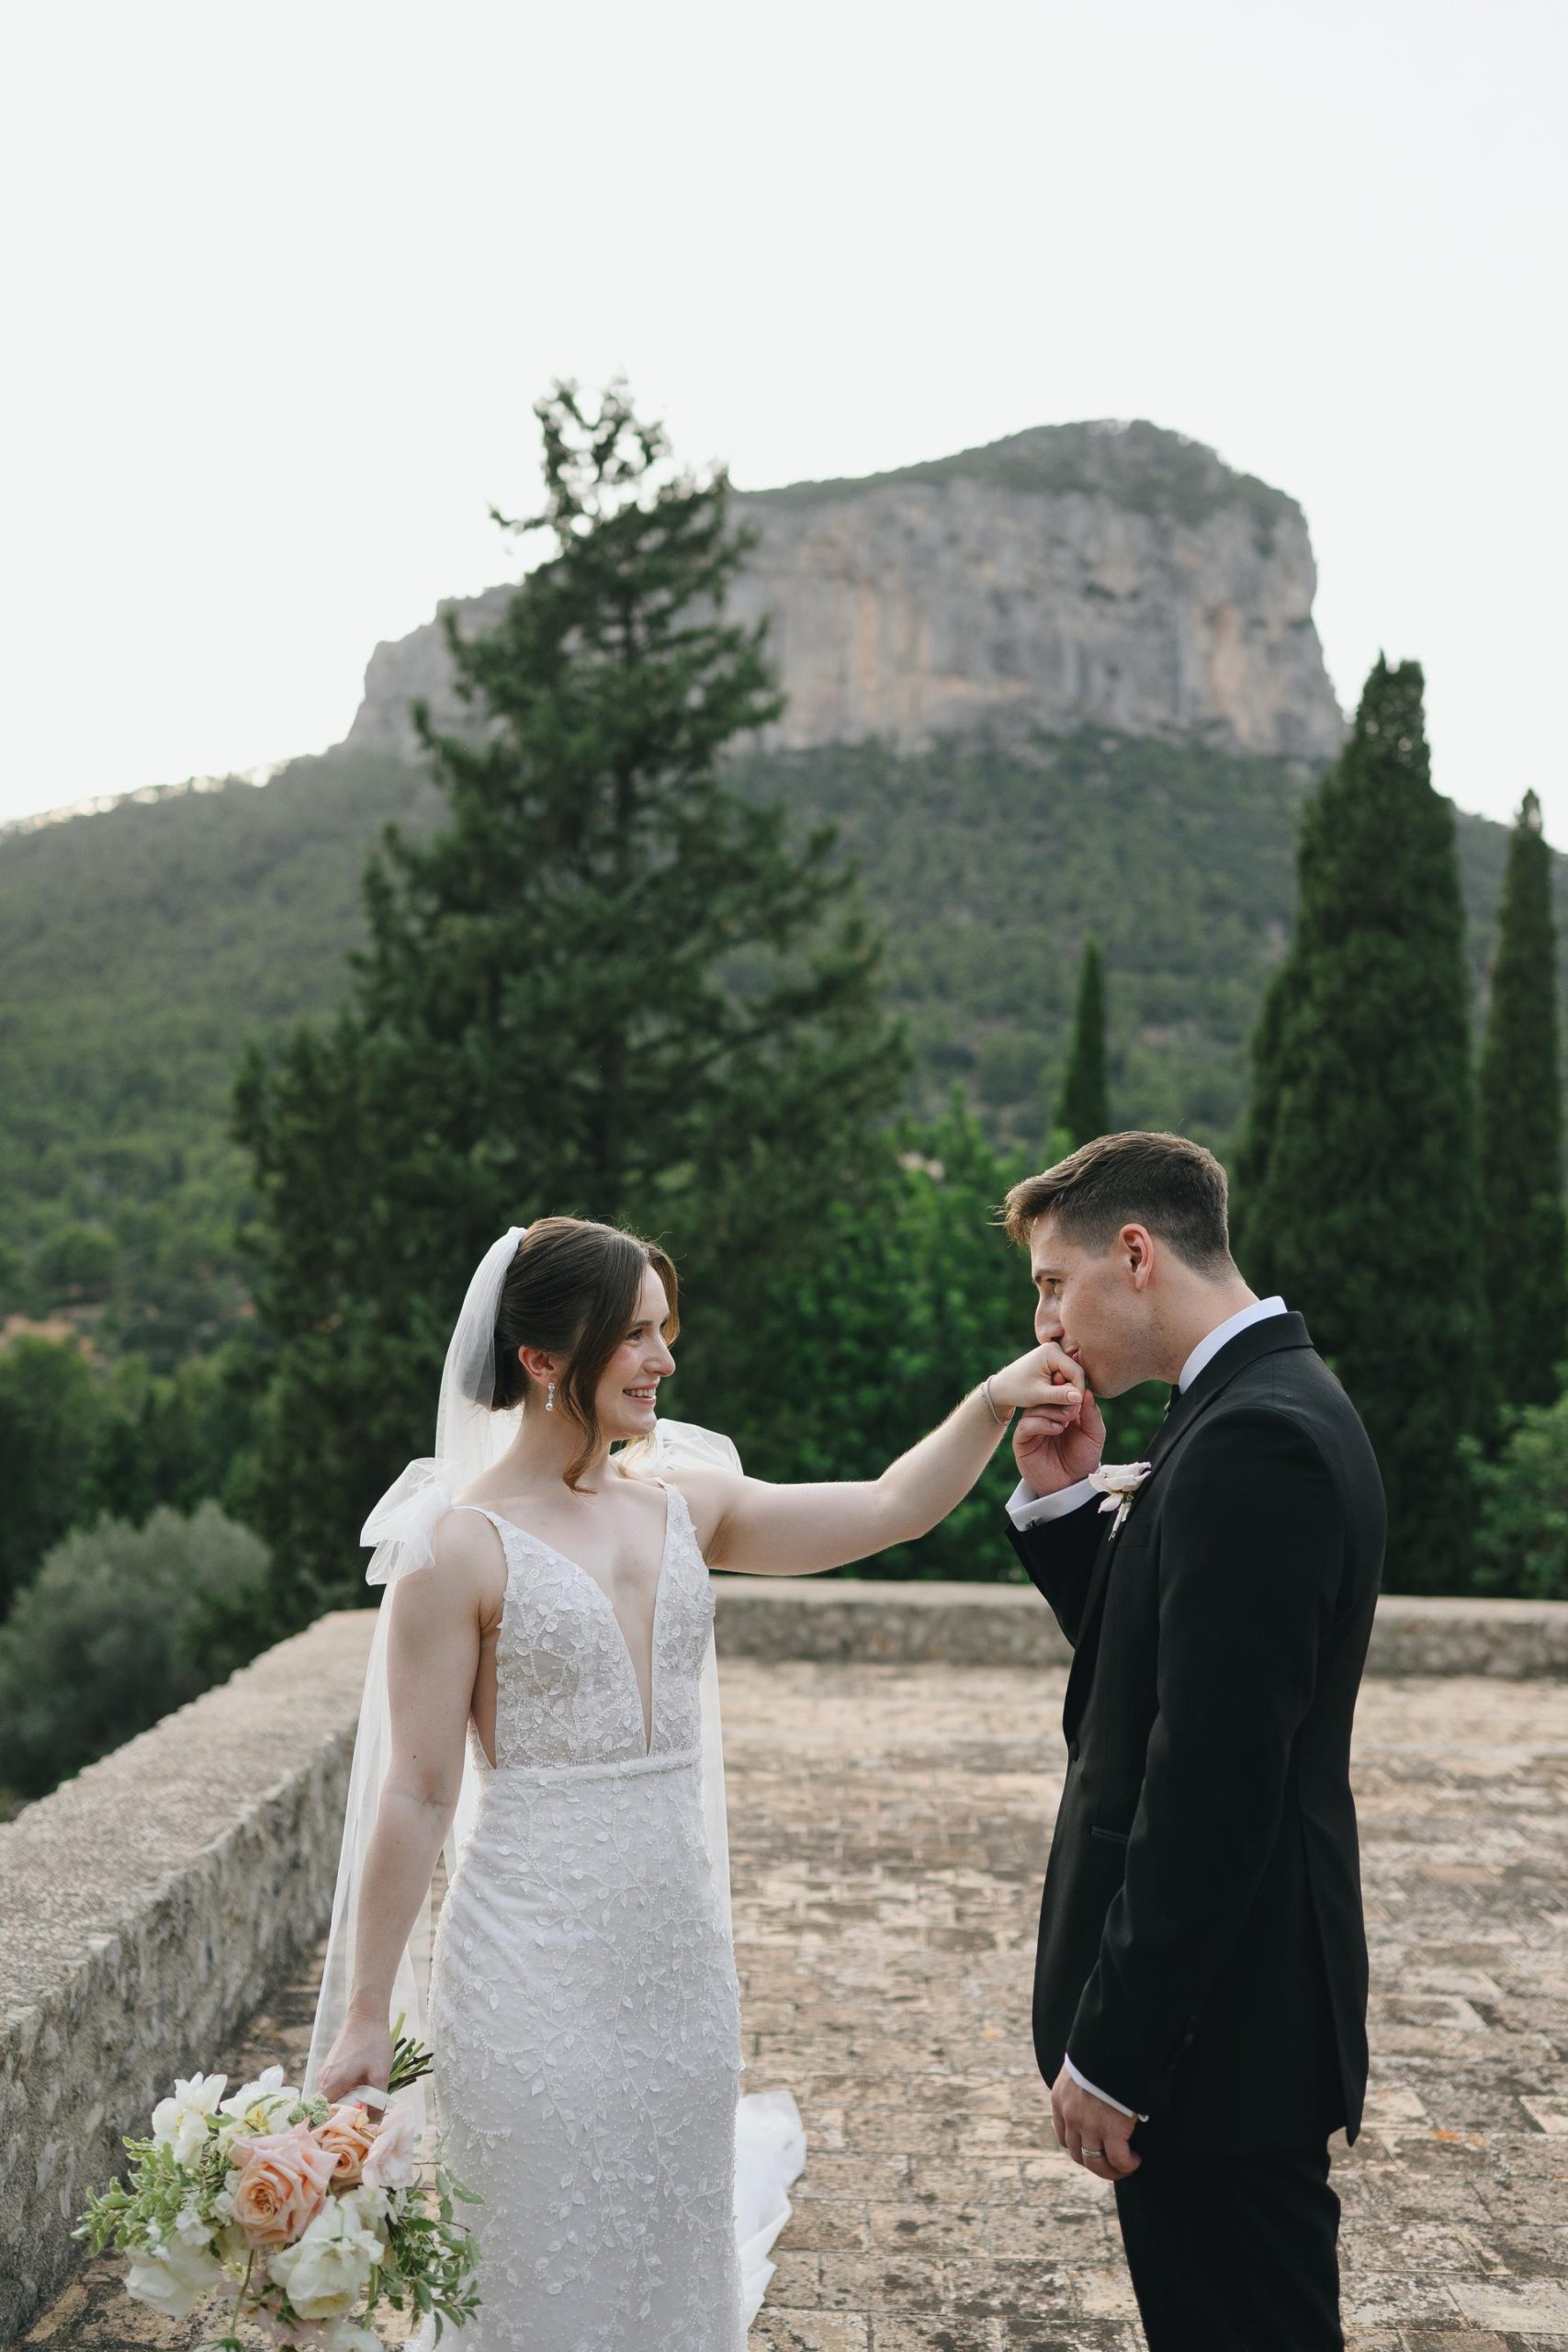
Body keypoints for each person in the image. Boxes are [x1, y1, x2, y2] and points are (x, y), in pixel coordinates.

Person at [310, 1213, 1074, 2352]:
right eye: (637, 1337)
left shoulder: (685, 1500)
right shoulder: (453, 1546)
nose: (666, 1360)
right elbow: (416, 1797)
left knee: (669, 2251)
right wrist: (367, 2010)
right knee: (533, 2263)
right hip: (528, 1966)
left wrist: (991, 1402)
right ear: (541, 1357)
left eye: (667, 1332)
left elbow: (884, 1509)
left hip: (677, 1968)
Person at [999, 1131, 1385, 2352]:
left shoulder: (1253, 1439)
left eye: (1051, 1286)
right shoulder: (1237, 1410)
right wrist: (1068, 1506)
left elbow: (1210, 1784)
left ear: (1134, 1252)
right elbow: (1157, 1675)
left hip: (1217, 2042)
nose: (1046, 1328)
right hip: (1222, 2033)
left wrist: (1112, 2051)